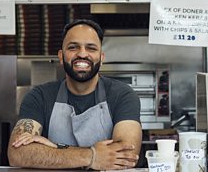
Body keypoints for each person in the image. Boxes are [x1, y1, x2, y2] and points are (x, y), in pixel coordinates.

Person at [8, 19, 142, 170]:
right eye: (73, 47)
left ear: (101, 57)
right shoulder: (40, 96)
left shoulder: (121, 94)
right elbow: (17, 153)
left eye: (91, 48)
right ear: (61, 56)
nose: (82, 54)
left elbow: (126, 155)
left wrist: (55, 148)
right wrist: (92, 156)